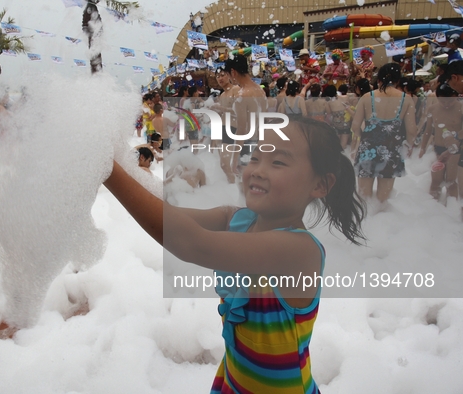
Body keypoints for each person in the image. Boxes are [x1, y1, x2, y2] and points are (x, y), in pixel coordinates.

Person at [103, 117, 366, 393]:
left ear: (320, 185)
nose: (258, 171)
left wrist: (110, 170)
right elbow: (172, 218)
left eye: (278, 162)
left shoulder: (299, 251)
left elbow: (192, 243)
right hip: (234, 380)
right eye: (254, 158)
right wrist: (121, 165)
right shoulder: (237, 220)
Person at [351, 63, 417, 202]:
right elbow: (411, 130)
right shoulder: (406, 99)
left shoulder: (367, 97)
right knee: (383, 200)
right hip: (391, 149)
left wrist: (362, 137)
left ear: (379, 79)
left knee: (364, 198)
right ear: (398, 80)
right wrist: (408, 146)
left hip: (367, 148)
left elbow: (355, 126)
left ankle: (367, 222)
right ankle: (381, 218)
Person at [418, 83, 461, 200]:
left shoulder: (461, 109)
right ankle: (433, 208)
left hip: (455, 150)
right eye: (443, 101)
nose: (447, 104)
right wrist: (423, 147)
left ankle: (451, 209)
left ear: (456, 96)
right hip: (438, 147)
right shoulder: (433, 109)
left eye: (450, 101)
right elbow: (428, 130)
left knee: (451, 181)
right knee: (436, 181)